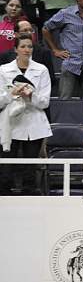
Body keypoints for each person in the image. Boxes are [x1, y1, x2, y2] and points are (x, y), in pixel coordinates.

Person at [0, 33, 52, 195]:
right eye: (23, 46)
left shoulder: (41, 69)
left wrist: (30, 96)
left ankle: (30, 197)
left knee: (30, 167)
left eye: (30, 46)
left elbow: (45, 102)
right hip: (11, 123)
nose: (27, 50)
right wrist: (12, 94)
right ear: (15, 49)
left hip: (34, 124)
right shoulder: (4, 69)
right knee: (7, 166)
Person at [0, 20, 56, 86]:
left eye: (31, 30)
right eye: (25, 30)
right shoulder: (5, 56)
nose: (29, 33)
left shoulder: (44, 53)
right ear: (16, 34)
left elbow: (51, 79)